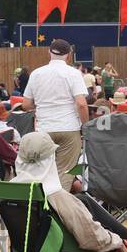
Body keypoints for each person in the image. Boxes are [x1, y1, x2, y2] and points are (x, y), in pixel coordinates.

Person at [21, 38, 89, 184]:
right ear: (69, 55)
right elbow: (81, 104)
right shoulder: (73, 73)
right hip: (69, 128)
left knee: (44, 173)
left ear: (49, 53)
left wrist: (41, 106)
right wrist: (85, 125)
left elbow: (25, 104)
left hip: (44, 128)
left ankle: (44, 204)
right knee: (64, 173)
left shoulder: (36, 74)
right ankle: (57, 206)